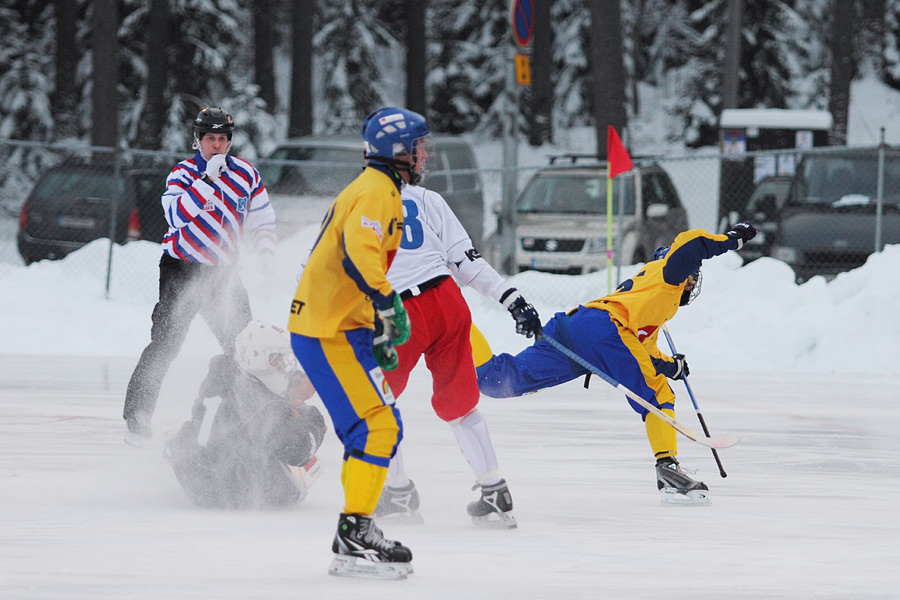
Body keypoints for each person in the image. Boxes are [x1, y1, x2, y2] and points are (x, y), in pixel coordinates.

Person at [475, 224, 757, 506]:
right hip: (606, 330)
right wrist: (733, 240)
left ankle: (460, 332)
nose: (693, 283)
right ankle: (668, 468)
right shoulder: (669, 275)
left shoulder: (647, 293)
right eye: (692, 278)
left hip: (574, 327)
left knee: (498, 382)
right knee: (658, 396)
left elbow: (642, 354)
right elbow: (690, 243)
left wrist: (672, 367)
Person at [287, 107, 427, 579]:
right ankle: (354, 534)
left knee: (377, 430)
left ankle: (356, 528)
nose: (424, 154)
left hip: (340, 326)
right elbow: (357, 251)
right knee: (378, 429)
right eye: (418, 145)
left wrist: (375, 328)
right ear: (398, 152)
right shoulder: (377, 192)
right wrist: (387, 303)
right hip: (327, 330)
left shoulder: (377, 187)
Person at [373, 182, 541, 528]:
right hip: (448, 301)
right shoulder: (428, 198)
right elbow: (466, 262)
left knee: (372, 399)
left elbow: (326, 268)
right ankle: (494, 490)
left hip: (400, 310)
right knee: (460, 403)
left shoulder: (357, 200)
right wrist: (513, 299)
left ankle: (398, 493)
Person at [123, 107, 276, 446]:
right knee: (166, 341)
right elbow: (176, 216)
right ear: (198, 140)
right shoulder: (183, 174)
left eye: (222, 139)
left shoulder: (246, 175)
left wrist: (265, 251)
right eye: (210, 139)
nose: (216, 145)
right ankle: (138, 414)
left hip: (224, 274)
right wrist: (207, 181)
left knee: (242, 347)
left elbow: (263, 220)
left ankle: (244, 416)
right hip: (183, 269)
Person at [164, 321, 326, 509]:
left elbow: (260, 391)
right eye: (277, 358)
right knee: (306, 468)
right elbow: (300, 452)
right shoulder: (270, 408)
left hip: (196, 478)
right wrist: (312, 419)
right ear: (258, 357)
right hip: (233, 493)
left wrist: (289, 395)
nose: (283, 365)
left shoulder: (224, 373)